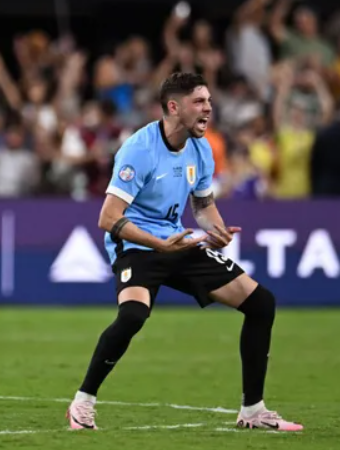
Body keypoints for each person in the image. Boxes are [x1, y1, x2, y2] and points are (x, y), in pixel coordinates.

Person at [66, 73, 303, 432]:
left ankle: (253, 410)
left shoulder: (201, 147)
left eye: (208, 100)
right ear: (174, 107)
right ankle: (83, 403)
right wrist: (158, 244)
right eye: (200, 101)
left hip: (177, 240)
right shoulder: (138, 149)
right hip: (137, 243)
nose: (209, 107)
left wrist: (217, 230)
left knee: (261, 303)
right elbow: (108, 217)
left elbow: (203, 205)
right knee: (132, 316)